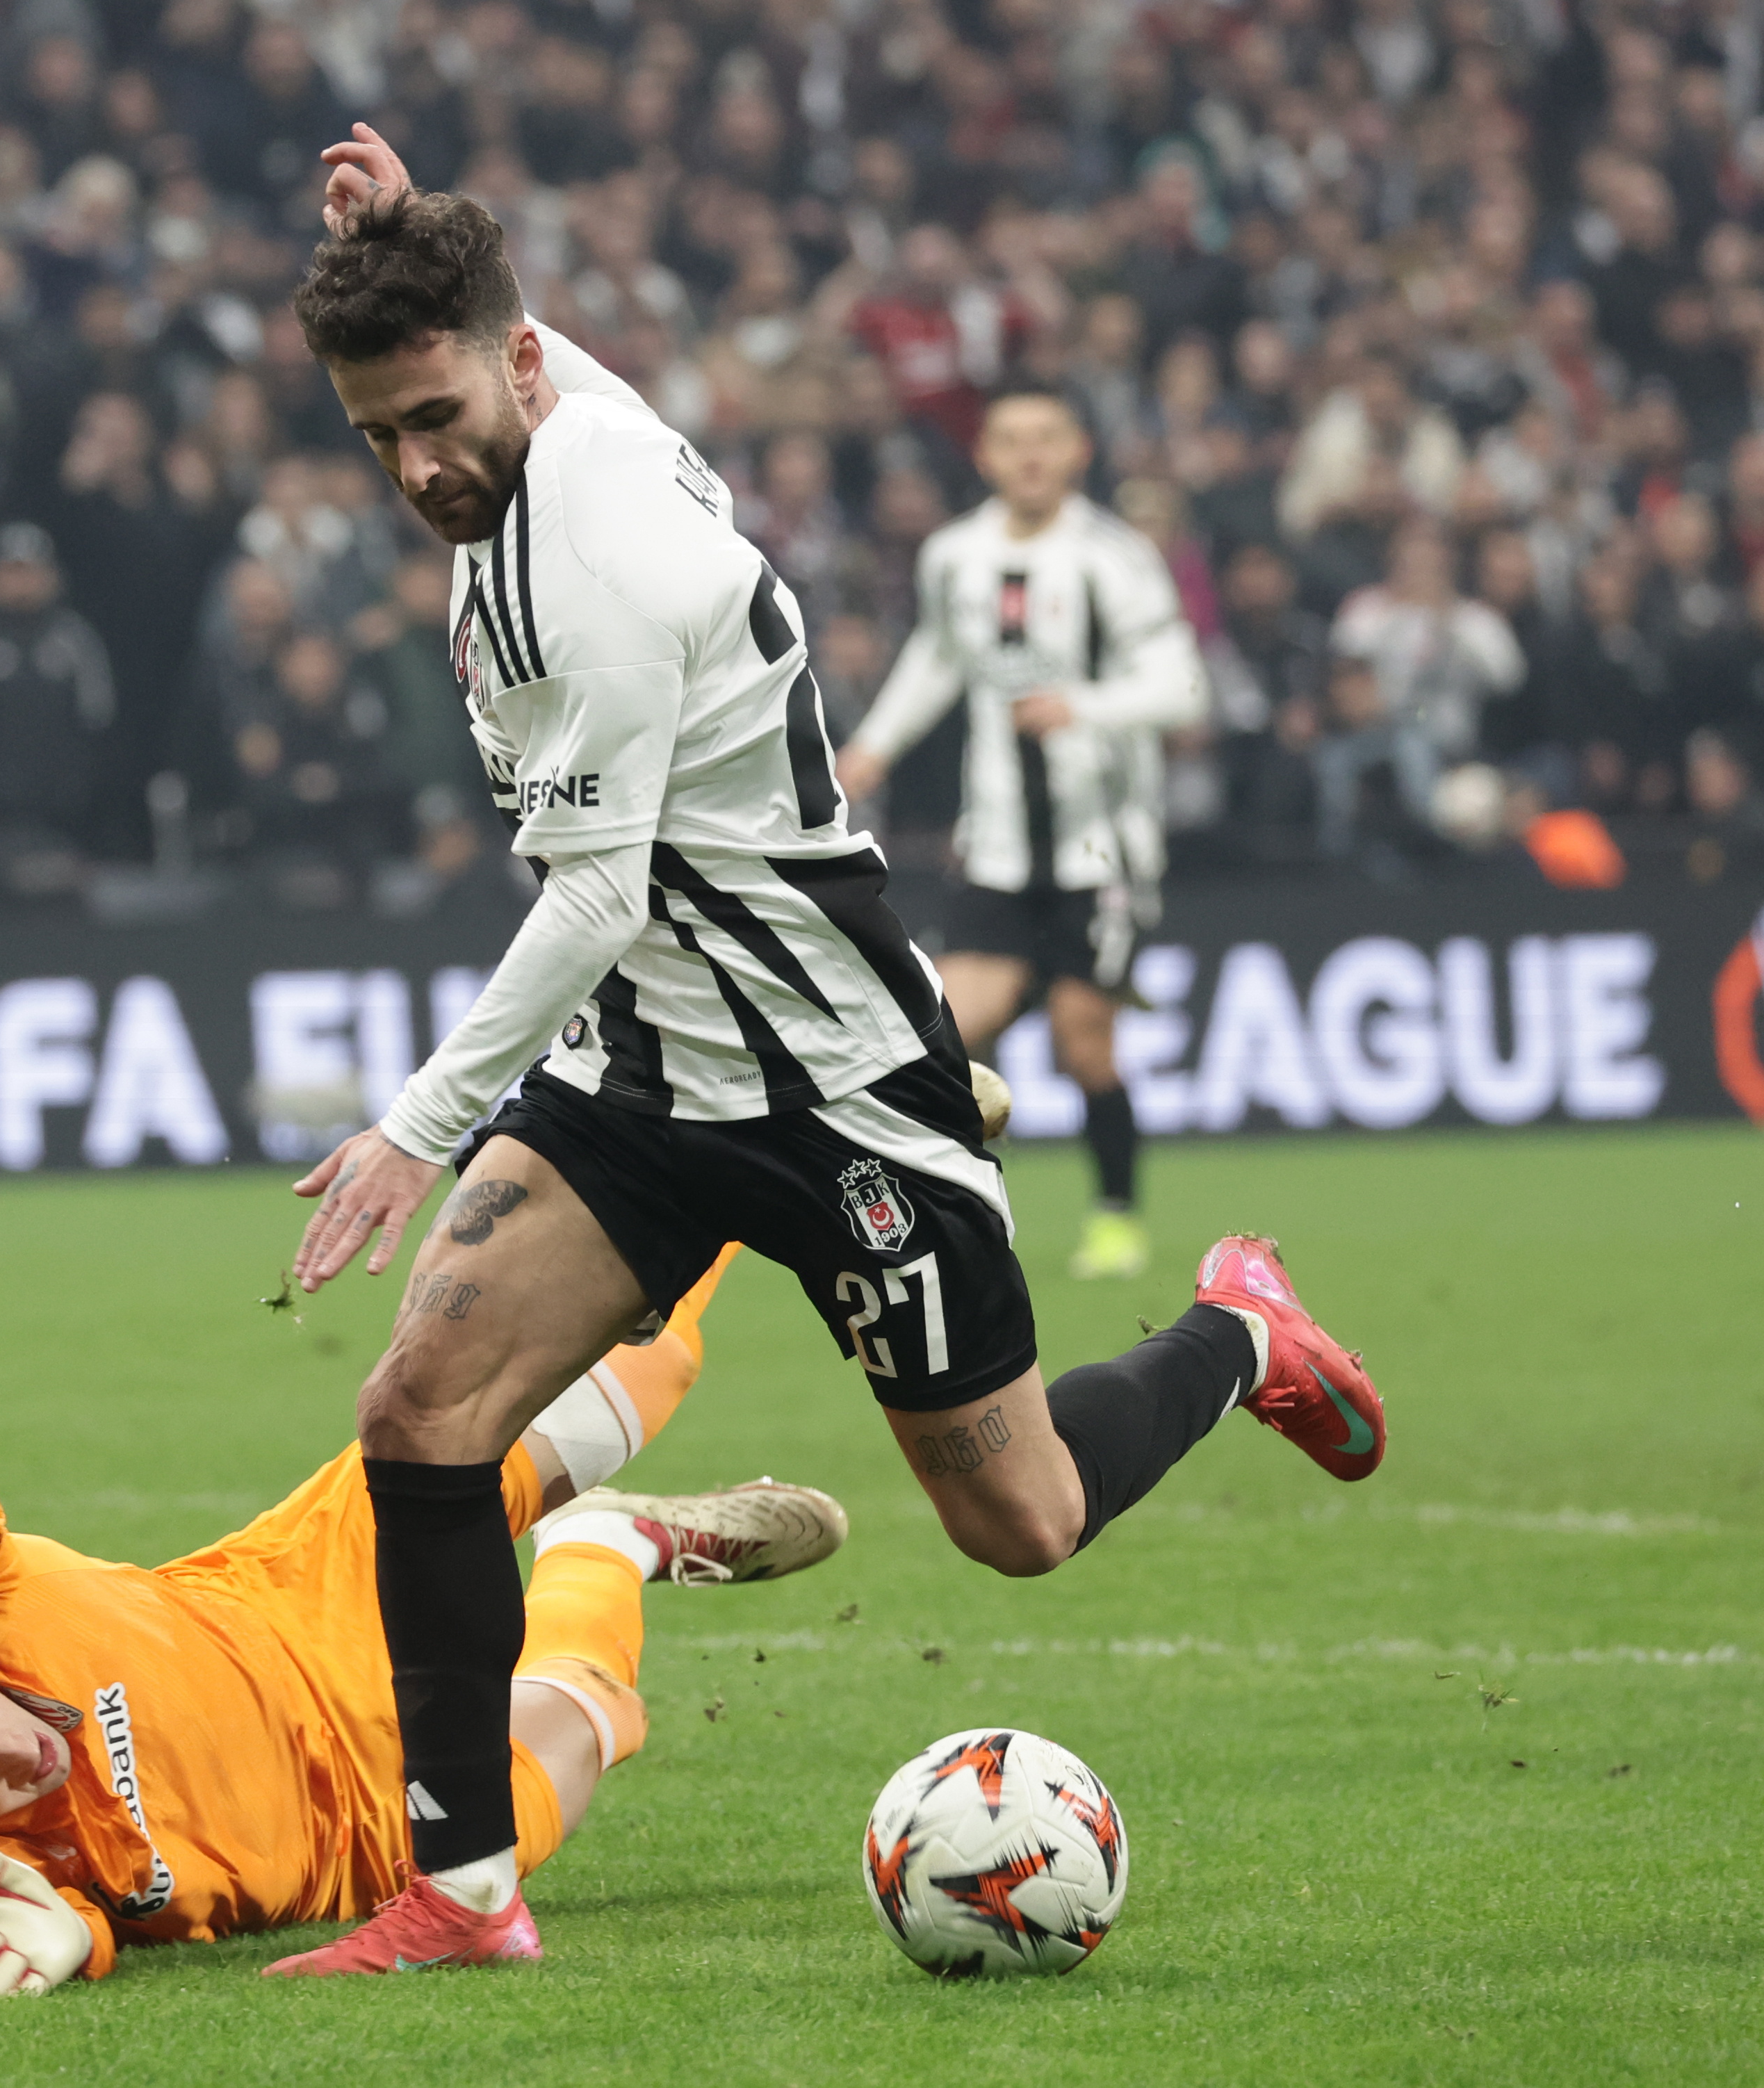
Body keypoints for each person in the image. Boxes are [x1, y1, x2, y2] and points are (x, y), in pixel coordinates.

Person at [270, 128, 1387, 1977]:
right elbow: (491, 345)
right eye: (378, 434)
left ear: (523, 364)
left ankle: (1239, 1331)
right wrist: (401, 235)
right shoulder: (555, 410)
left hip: (832, 1075)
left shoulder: (593, 562)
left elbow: (596, 899)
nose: (419, 465)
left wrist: (413, 1128)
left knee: (1017, 1519)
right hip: (647, 1079)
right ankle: (463, 1892)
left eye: (439, 416)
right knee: (423, 1411)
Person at [0, 1255, 847, 1992]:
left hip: (304, 1588)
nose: (14, 1753)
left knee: (627, 1362)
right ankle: (615, 1543)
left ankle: (806, 1143)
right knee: (591, 1709)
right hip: (373, 1828)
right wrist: (78, 1939)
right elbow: (41, 1921)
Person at [835, 391, 1207, 1282]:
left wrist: (1082, 706)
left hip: (1100, 850)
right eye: (1012, 441)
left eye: (1047, 439)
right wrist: (874, 748)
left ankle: (1116, 1218)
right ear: (987, 456)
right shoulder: (956, 555)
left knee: (1085, 1037)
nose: (1030, 455)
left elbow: (1182, 687)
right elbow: (939, 655)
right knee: (951, 1034)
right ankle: (959, 1219)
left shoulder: (1114, 559)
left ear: (1078, 450)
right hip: (998, 847)